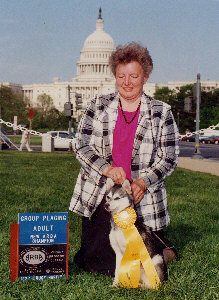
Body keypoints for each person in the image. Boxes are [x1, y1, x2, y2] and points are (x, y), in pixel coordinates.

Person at [69, 42, 179, 276]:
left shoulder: (162, 112)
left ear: (145, 77)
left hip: (141, 196)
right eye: (121, 76)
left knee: (137, 262)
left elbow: (168, 157)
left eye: (133, 76)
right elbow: (81, 146)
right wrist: (106, 169)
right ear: (115, 76)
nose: (127, 82)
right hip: (103, 194)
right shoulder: (97, 106)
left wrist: (143, 182)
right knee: (97, 265)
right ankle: (162, 249)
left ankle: (161, 249)